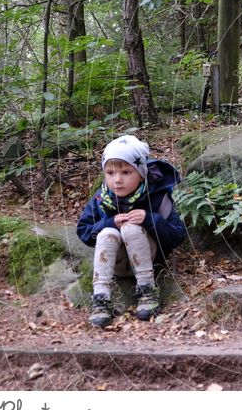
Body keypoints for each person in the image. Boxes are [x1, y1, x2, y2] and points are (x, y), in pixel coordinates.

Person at [77, 135, 186, 327]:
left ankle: (147, 289)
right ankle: (101, 298)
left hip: (149, 257)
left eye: (126, 172)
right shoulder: (100, 199)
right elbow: (84, 231)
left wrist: (151, 219)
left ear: (142, 173)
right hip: (116, 263)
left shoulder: (157, 197)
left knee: (131, 229)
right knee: (106, 233)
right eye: (110, 173)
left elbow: (177, 235)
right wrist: (109, 223)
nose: (117, 180)